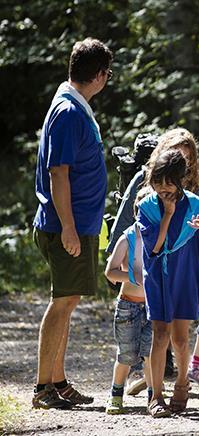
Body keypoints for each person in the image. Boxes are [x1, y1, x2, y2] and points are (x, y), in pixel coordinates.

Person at [32, 38, 113, 409]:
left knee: (69, 300)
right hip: (65, 225)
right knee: (61, 302)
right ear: (98, 75)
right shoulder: (67, 112)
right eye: (107, 74)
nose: (107, 80)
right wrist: (67, 227)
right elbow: (58, 174)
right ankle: (42, 388)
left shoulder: (74, 106)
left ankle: (59, 381)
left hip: (78, 225)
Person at [107, 128, 199, 393]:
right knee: (153, 335)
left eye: (186, 156)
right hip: (151, 273)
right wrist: (132, 275)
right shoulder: (145, 186)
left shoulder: (195, 194)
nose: (181, 158)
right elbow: (131, 233)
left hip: (183, 274)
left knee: (178, 335)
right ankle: (152, 387)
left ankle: (170, 381)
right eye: (175, 152)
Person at [136, 148, 199, 417]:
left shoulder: (196, 205)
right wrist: (168, 215)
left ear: (181, 178)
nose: (162, 188)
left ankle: (182, 384)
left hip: (187, 276)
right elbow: (155, 248)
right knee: (160, 335)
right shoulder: (146, 207)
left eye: (168, 181)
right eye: (157, 181)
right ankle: (156, 396)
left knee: (181, 337)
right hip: (158, 276)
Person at [104, 219, 152, 414]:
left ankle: (153, 394)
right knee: (126, 354)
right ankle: (116, 394)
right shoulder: (127, 238)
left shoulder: (162, 234)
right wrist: (134, 277)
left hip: (153, 305)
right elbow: (110, 272)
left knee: (150, 354)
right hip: (128, 305)